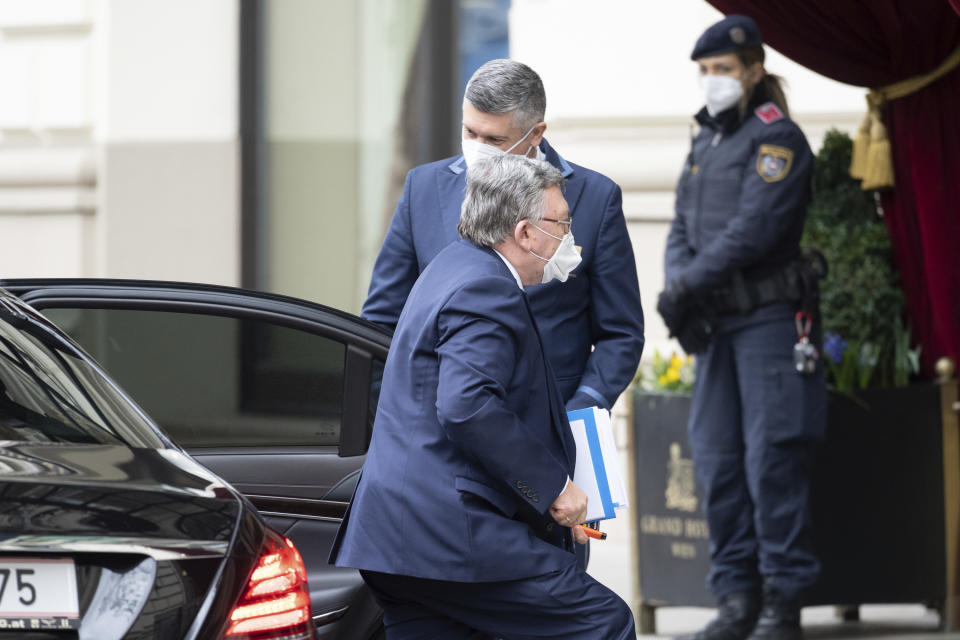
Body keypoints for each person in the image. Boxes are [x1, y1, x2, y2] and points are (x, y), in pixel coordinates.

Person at [330, 154, 636, 640]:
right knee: (602, 621)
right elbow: (467, 405)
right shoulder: (485, 287)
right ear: (525, 233)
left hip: (398, 539)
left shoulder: (452, 265)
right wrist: (555, 488)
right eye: (562, 223)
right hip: (449, 536)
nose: (570, 241)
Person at [656, 15, 827, 640]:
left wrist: (686, 286)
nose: (713, 82)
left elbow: (756, 230)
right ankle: (736, 600)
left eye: (723, 71)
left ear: (753, 70)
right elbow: (680, 225)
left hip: (768, 324)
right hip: (717, 328)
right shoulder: (705, 141)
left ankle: (783, 604)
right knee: (717, 464)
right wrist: (681, 287)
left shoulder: (776, 139)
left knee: (771, 462)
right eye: (705, 72)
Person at [362, 58, 644, 415]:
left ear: (536, 134)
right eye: (470, 133)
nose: (478, 147)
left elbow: (621, 334)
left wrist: (583, 410)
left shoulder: (596, 197)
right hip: (440, 423)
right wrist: (388, 413)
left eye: (495, 139)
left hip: (550, 423)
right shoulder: (423, 188)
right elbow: (382, 320)